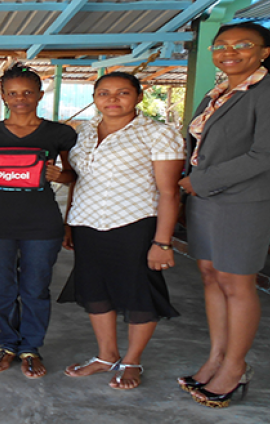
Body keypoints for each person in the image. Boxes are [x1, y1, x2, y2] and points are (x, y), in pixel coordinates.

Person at [178, 23, 270, 408]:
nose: (229, 51)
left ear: (264, 52)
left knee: (236, 281)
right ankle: (215, 357)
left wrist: (201, 181)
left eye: (243, 45)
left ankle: (235, 365)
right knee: (211, 276)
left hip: (246, 199)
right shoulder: (217, 94)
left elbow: (267, 155)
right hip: (206, 197)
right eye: (221, 45)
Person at [60, 72, 185, 390]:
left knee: (138, 293)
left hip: (135, 223)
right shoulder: (83, 132)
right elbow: (77, 179)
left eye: (122, 92)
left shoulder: (158, 134)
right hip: (87, 223)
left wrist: (163, 242)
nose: (112, 99)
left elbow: (169, 193)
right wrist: (70, 223)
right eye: (104, 93)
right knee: (95, 291)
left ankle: (131, 361)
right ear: (95, 98)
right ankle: (106, 356)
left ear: (139, 97)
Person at [0, 63, 77, 379]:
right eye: (13, 93)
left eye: (28, 92)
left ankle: (31, 347)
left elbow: (74, 176)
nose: (20, 98)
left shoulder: (59, 132)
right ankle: (7, 344)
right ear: (2, 96)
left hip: (42, 222)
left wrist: (62, 174)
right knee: (1, 287)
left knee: (35, 287)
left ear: (40, 95)